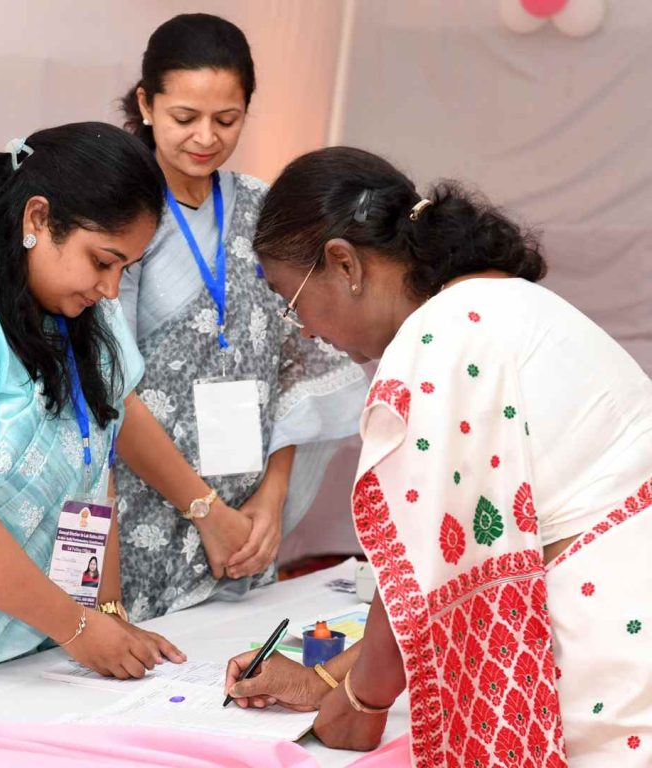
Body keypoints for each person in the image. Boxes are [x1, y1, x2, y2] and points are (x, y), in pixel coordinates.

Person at [224, 147, 652, 767]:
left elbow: (427, 564)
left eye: (293, 305)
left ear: (344, 264)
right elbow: (430, 574)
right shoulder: (499, 301)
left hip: (612, 639)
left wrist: (360, 703)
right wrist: (329, 681)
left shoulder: (439, 342)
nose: (308, 333)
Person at [0, 122, 186, 687]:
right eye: (102, 261)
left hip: (26, 657)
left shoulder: (75, 308)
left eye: (126, 267)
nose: (111, 288)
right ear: (37, 219)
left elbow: (96, 469)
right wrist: (79, 630)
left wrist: (109, 613)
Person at [115, 14, 368, 621]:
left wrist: (270, 500)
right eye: (185, 118)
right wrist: (207, 512)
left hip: (247, 519)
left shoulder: (263, 207)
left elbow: (298, 363)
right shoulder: (118, 208)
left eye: (226, 120)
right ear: (147, 104)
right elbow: (107, 387)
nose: (206, 137)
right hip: (144, 509)